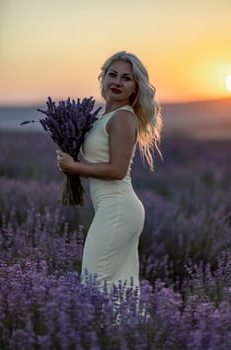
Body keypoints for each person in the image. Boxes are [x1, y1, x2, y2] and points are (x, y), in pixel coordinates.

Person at [56, 51, 162, 290]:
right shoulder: (106, 118)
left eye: (126, 78)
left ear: (135, 88)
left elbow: (117, 170)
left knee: (94, 283)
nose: (117, 82)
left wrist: (74, 167)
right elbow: (100, 159)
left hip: (118, 209)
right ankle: (130, 328)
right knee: (117, 288)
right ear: (102, 78)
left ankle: (104, 328)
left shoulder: (123, 119)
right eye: (112, 75)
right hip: (113, 209)